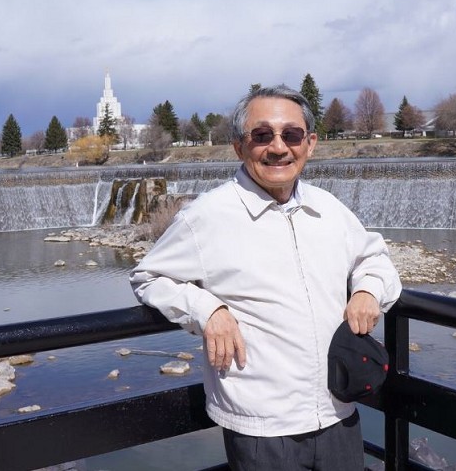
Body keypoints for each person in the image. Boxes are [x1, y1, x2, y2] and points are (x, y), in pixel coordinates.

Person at [130, 84, 401, 470]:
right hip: (262, 427)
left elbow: (375, 258)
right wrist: (207, 310)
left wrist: (368, 291)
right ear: (239, 147)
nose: (278, 147)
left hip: (338, 412)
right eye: (261, 135)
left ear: (310, 144)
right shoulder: (207, 216)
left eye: (291, 135)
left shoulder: (328, 209)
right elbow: (148, 276)